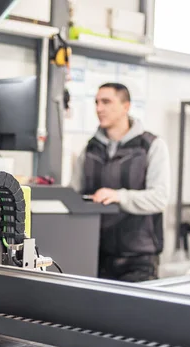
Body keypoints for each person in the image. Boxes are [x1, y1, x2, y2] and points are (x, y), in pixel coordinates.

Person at [71, 83, 170, 282]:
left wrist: (118, 196)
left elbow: (159, 198)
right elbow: (74, 194)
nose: (99, 109)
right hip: (97, 256)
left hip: (139, 259)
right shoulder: (90, 149)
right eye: (97, 103)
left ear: (126, 106)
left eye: (106, 102)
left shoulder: (151, 146)